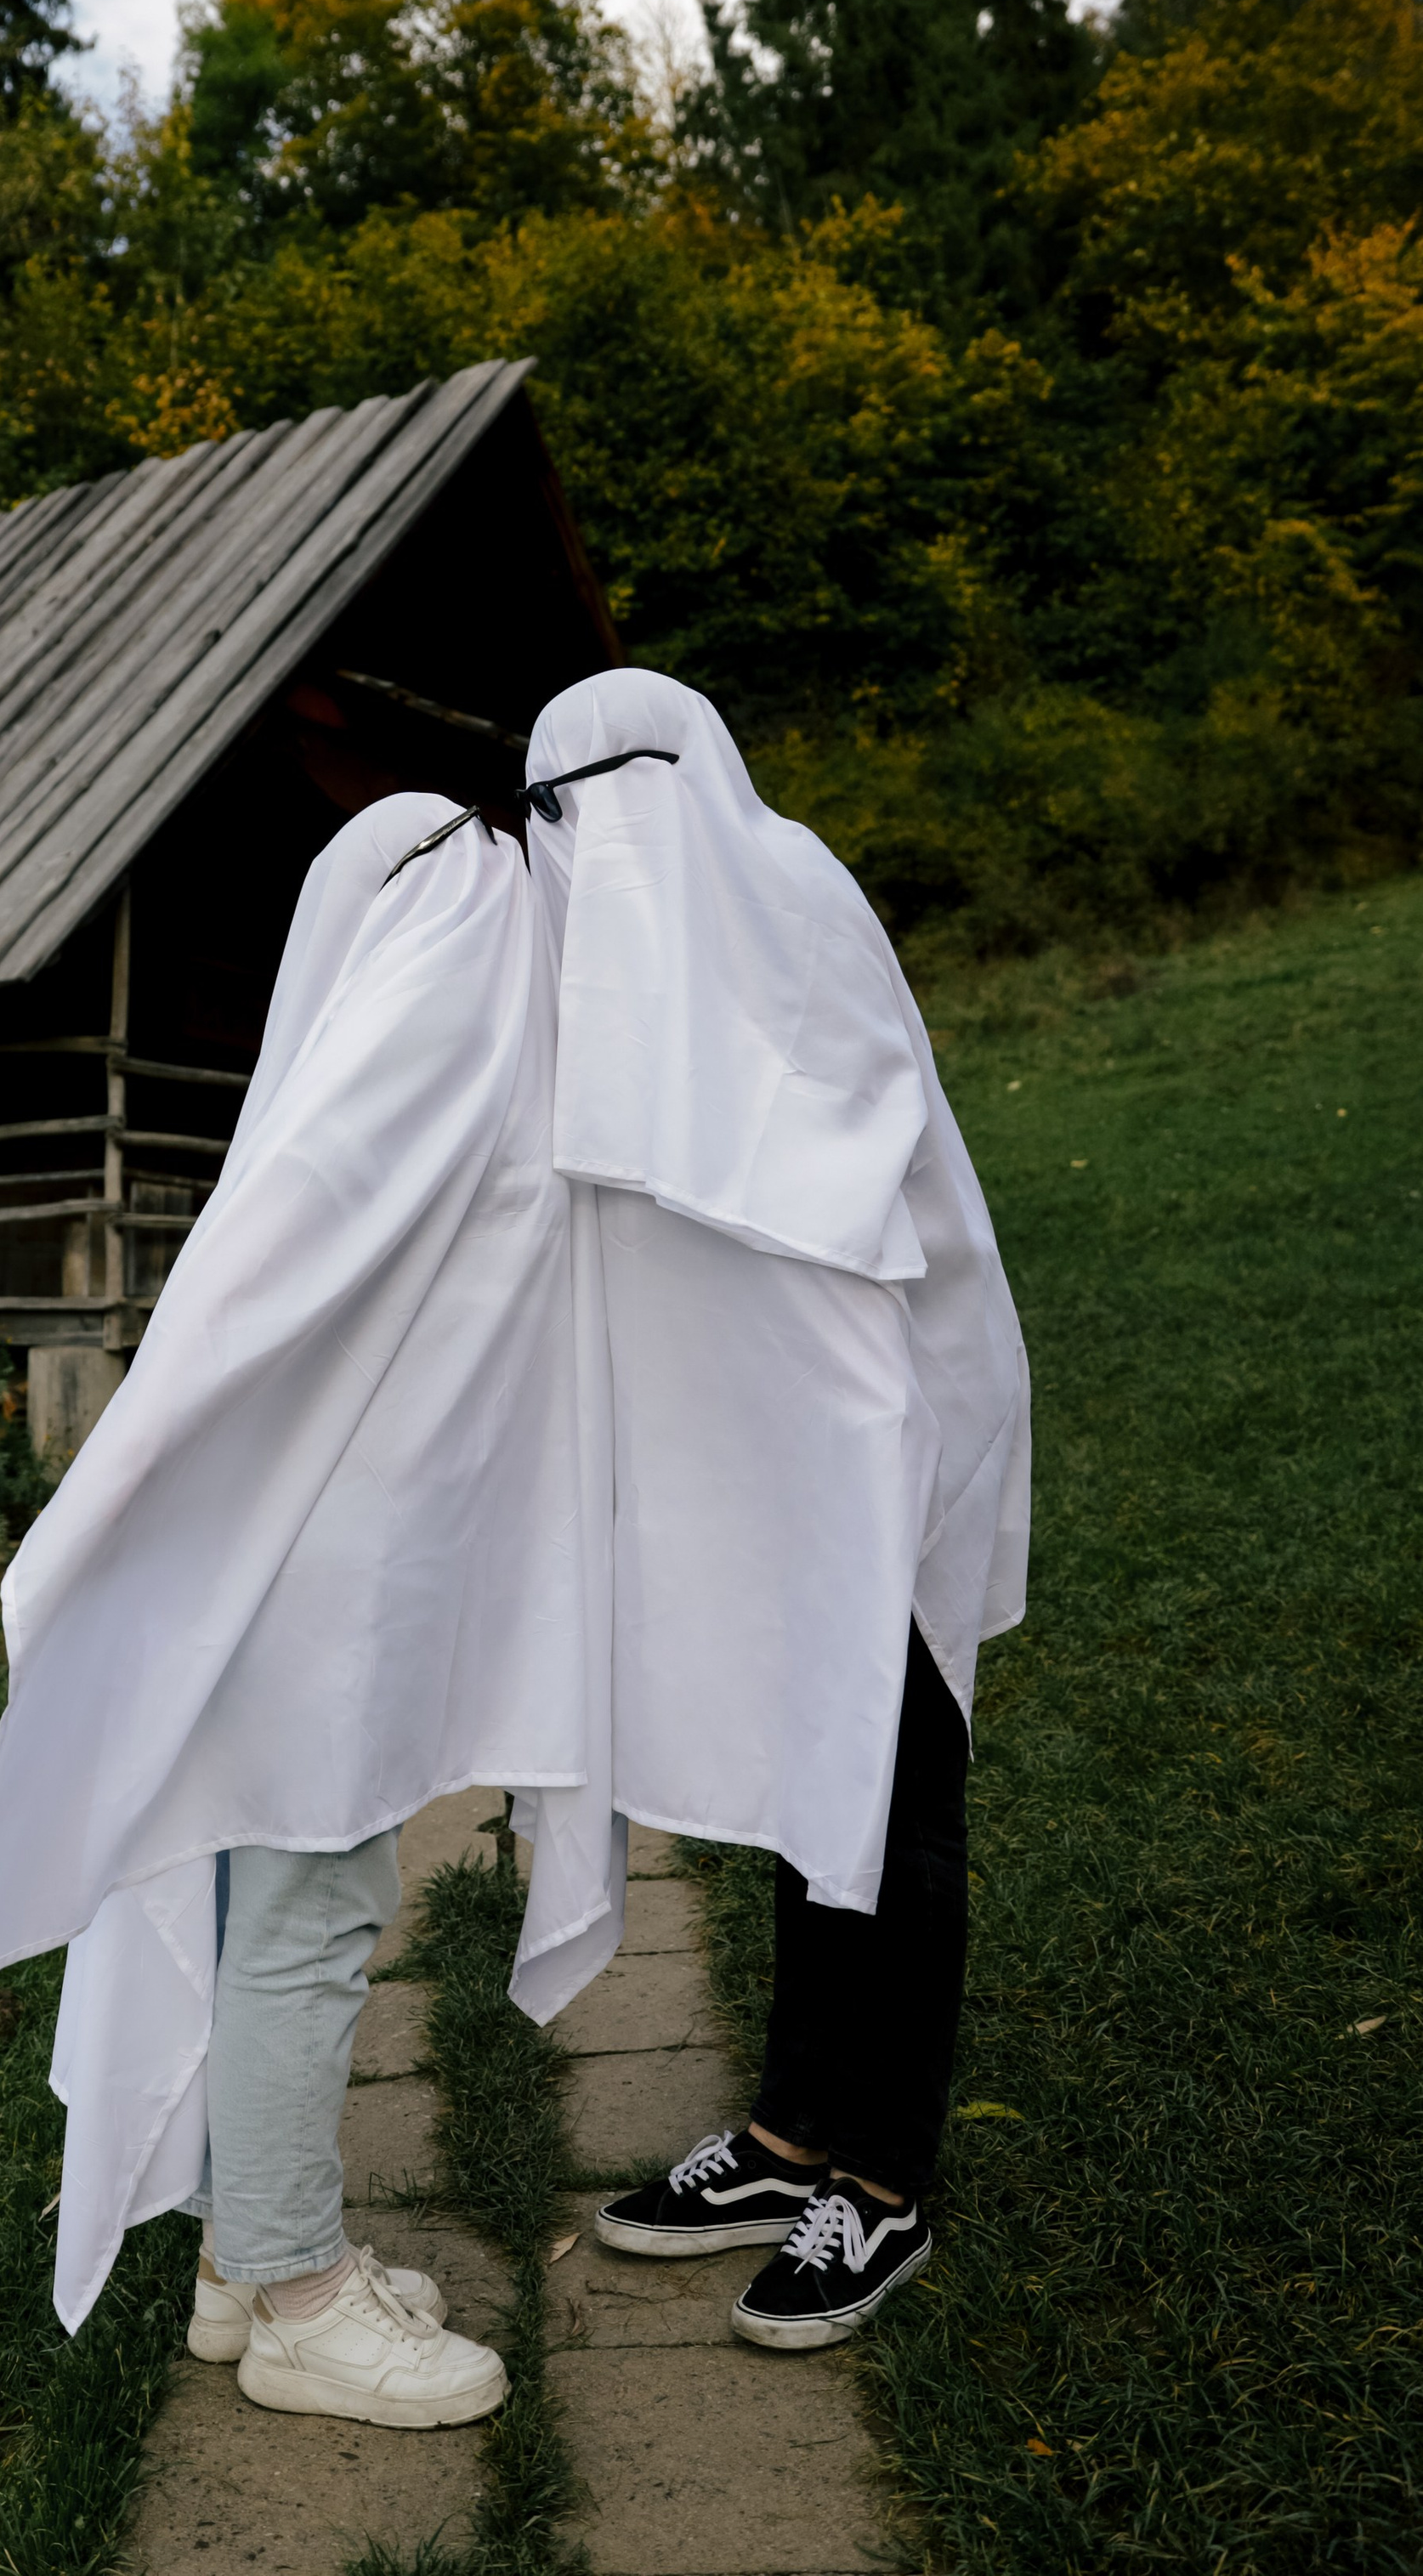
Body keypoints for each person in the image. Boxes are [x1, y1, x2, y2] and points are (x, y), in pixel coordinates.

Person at [0, 791, 619, 2424]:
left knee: (282, 1897)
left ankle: (247, 2267)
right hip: (322, 1562)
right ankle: (305, 2295)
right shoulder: (437, 992)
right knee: (307, 1905)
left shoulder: (373, 1040)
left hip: (321, 1548)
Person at [519, 668, 1030, 2352]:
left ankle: (877, 2185)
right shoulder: (587, 944)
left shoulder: (785, 887)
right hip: (745, 1439)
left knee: (889, 1783)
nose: (602, 840)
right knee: (795, 1778)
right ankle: (791, 2131)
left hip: (877, 1415)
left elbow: (833, 1149)